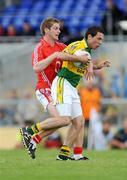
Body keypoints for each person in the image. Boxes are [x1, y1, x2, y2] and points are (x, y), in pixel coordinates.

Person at [20, 17, 91, 160]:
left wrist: (93, 66)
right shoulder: (40, 48)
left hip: (58, 89)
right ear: (46, 30)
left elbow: (75, 61)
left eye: (59, 28)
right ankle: (28, 132)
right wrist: (54, 56)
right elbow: (36, 67)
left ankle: (34, 140)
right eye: (56, 28)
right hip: (44, 89)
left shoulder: (61, 47)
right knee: (62, 120)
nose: (59, 31)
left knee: (67, 120)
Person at [51, 26, 111, 160]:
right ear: (89, 37)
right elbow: (65, 56)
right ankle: (32, 131)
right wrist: (88, 63)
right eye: (98, 39)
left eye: (102, 40)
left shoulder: (87, 51)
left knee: (79, 122)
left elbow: (82, 61)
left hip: (72, 87)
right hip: (63, 82)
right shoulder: (78, 45)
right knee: (64, 120)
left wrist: (96, 66)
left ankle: (71, 154)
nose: (100, 42)